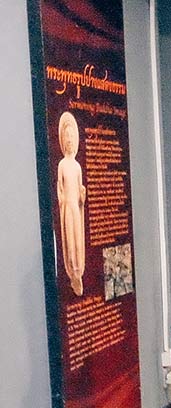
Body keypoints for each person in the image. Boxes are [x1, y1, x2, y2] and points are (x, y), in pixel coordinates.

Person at [57, 111, 86, 296]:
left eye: (71, 136)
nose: (69, 139)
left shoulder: (77, 166)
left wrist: (82, 196)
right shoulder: (62, 164)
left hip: (75, 208)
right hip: (67, 207)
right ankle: (73, 271)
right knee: (69, 240)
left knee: (77, 238)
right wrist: (62, 201)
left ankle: (79, 271)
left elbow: (80, 191)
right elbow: (60, 188)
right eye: (66, 136)